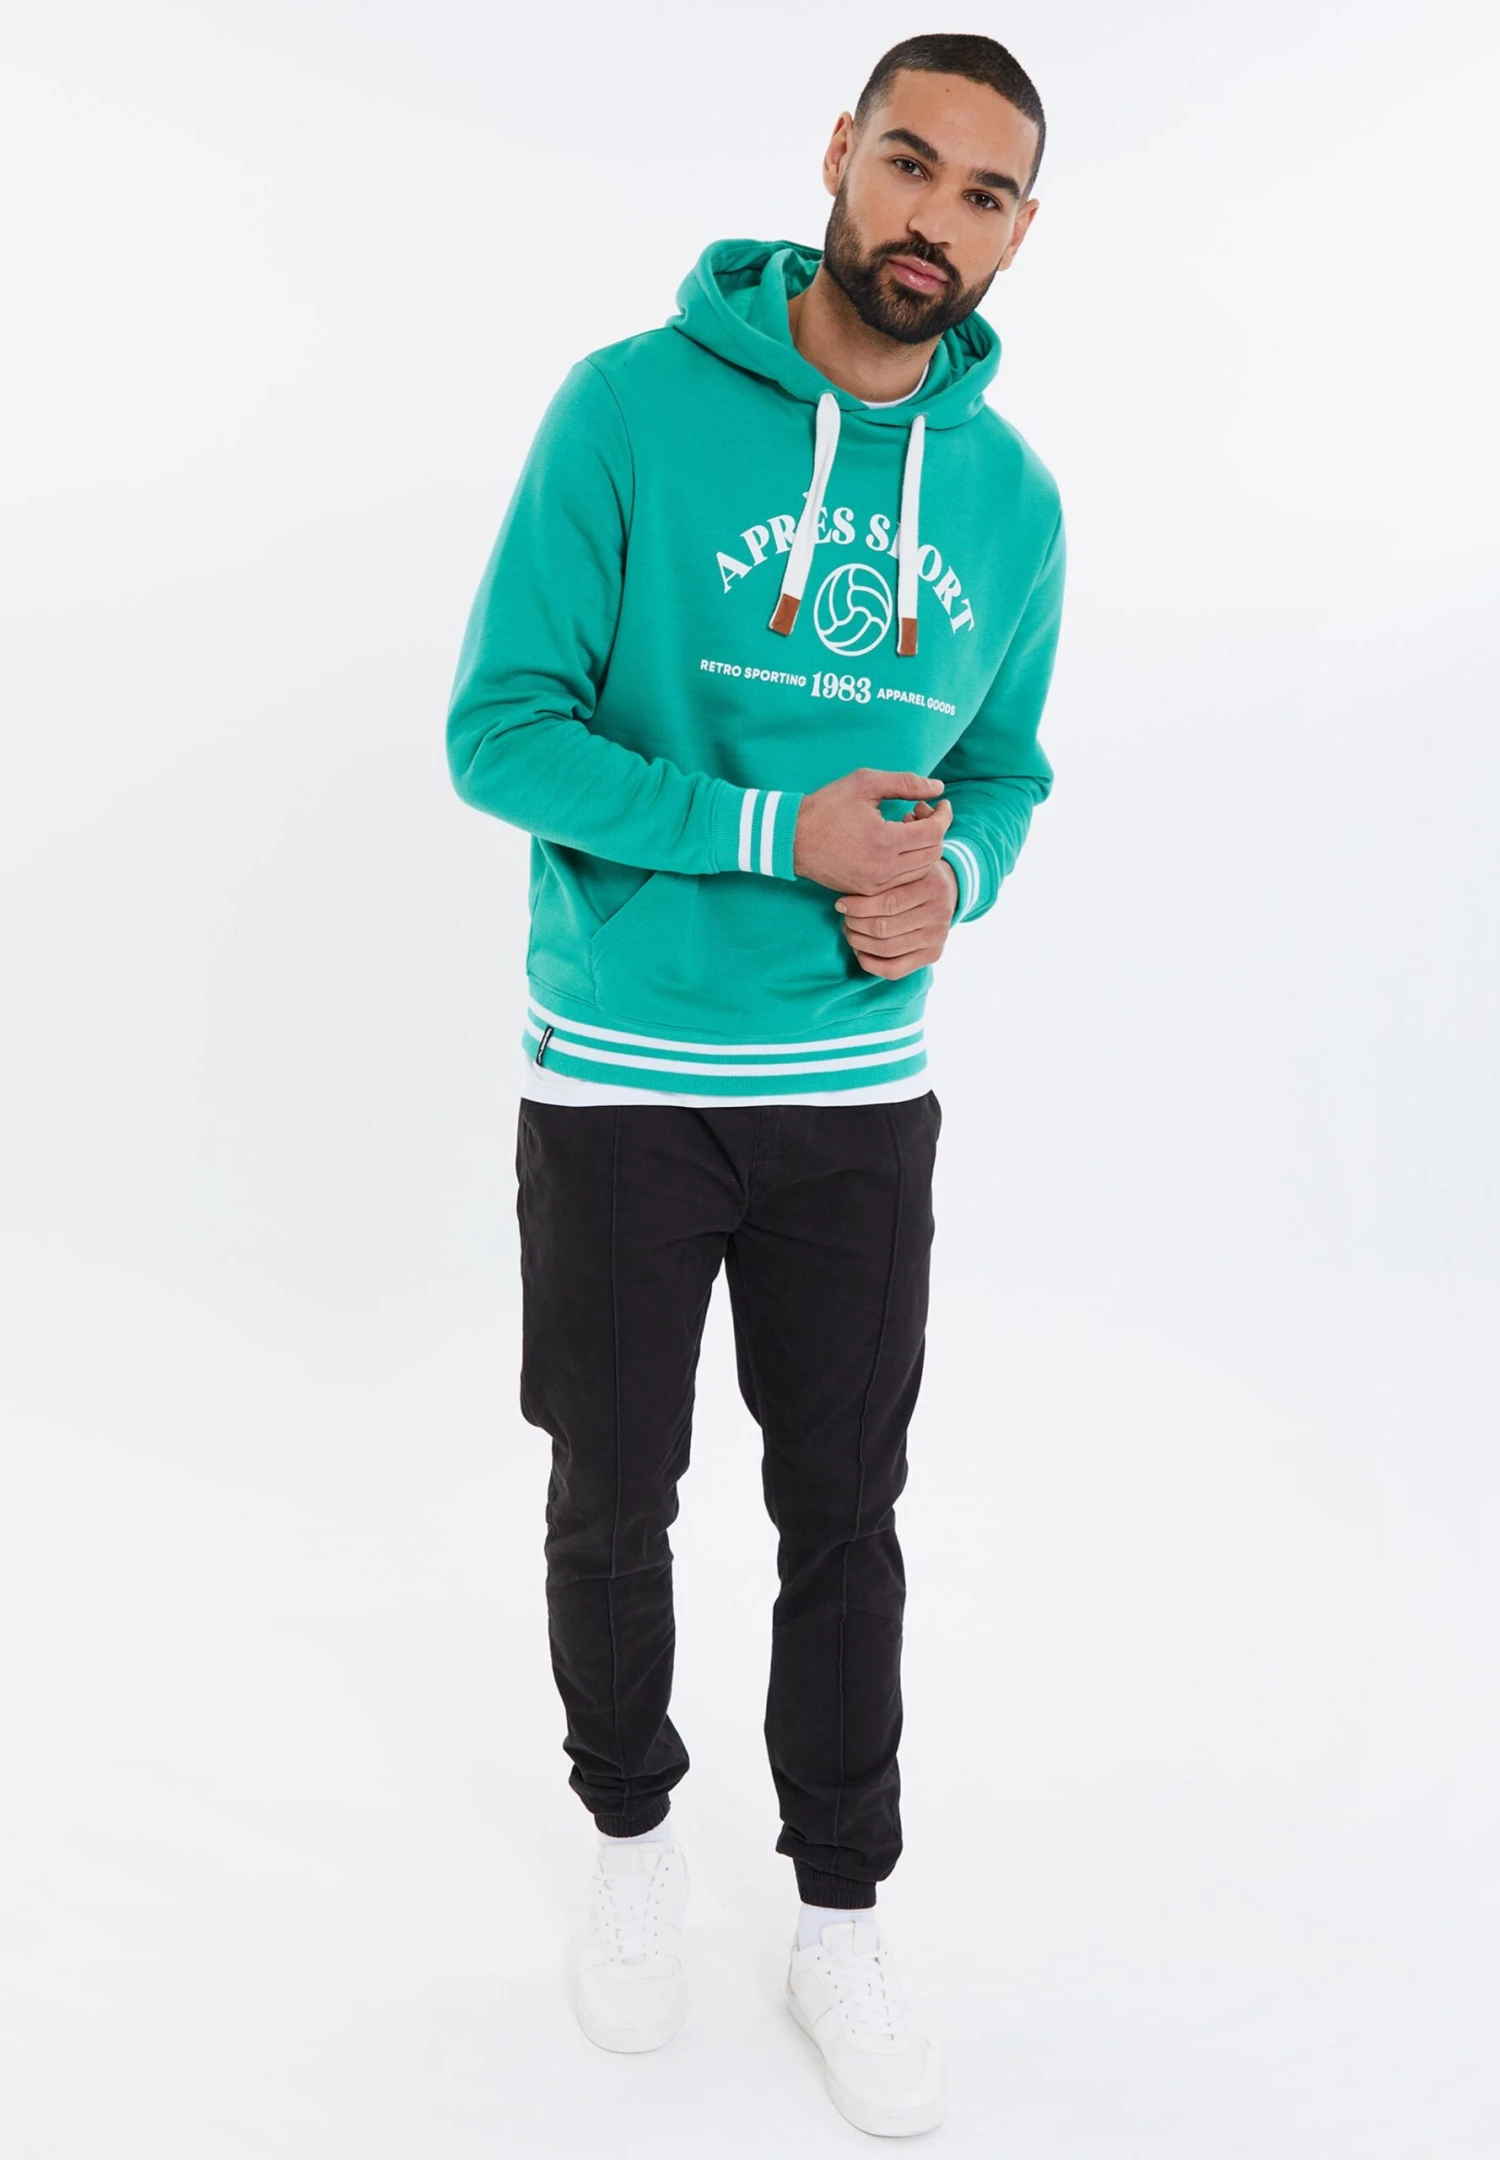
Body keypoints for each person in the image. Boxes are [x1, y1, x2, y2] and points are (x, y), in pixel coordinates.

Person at [445, 29, 1064, 2138]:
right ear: (838, 156)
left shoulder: (1012, 499)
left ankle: (839, 1910)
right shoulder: (628, 408)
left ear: (1022, 234)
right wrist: (768, 834)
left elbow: (1007, 770)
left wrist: (956, 879)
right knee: (613, 1497)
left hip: (858, 1104)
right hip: (620, 1082)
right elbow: (500, 729)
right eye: (910, 164)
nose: (934, 220)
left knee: (845, 1515)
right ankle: (631, 1842)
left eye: (984, 194)